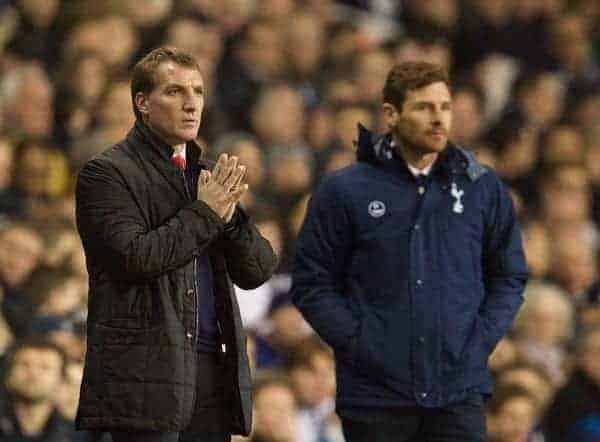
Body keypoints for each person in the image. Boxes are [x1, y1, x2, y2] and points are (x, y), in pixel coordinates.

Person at [292, 61, 528, 441]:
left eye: (445, 107)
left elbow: (509, 274)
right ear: (391, 114)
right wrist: (360, 342)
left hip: (459, 392)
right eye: (424, 107)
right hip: (375, 397)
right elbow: (312, 283)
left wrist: (479, 338)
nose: (439, 119)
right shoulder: (344, 191)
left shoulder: (483, 189)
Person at [74, 46, 277, 442]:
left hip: (211, 371)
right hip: (144, 377)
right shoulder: (106, 174)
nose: (191, 104)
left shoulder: (207, 176)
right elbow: (135, 257)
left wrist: (229, 215)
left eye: (198, 92)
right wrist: (205, 212)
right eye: (175, 92)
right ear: (142, 103)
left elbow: (258, 269)